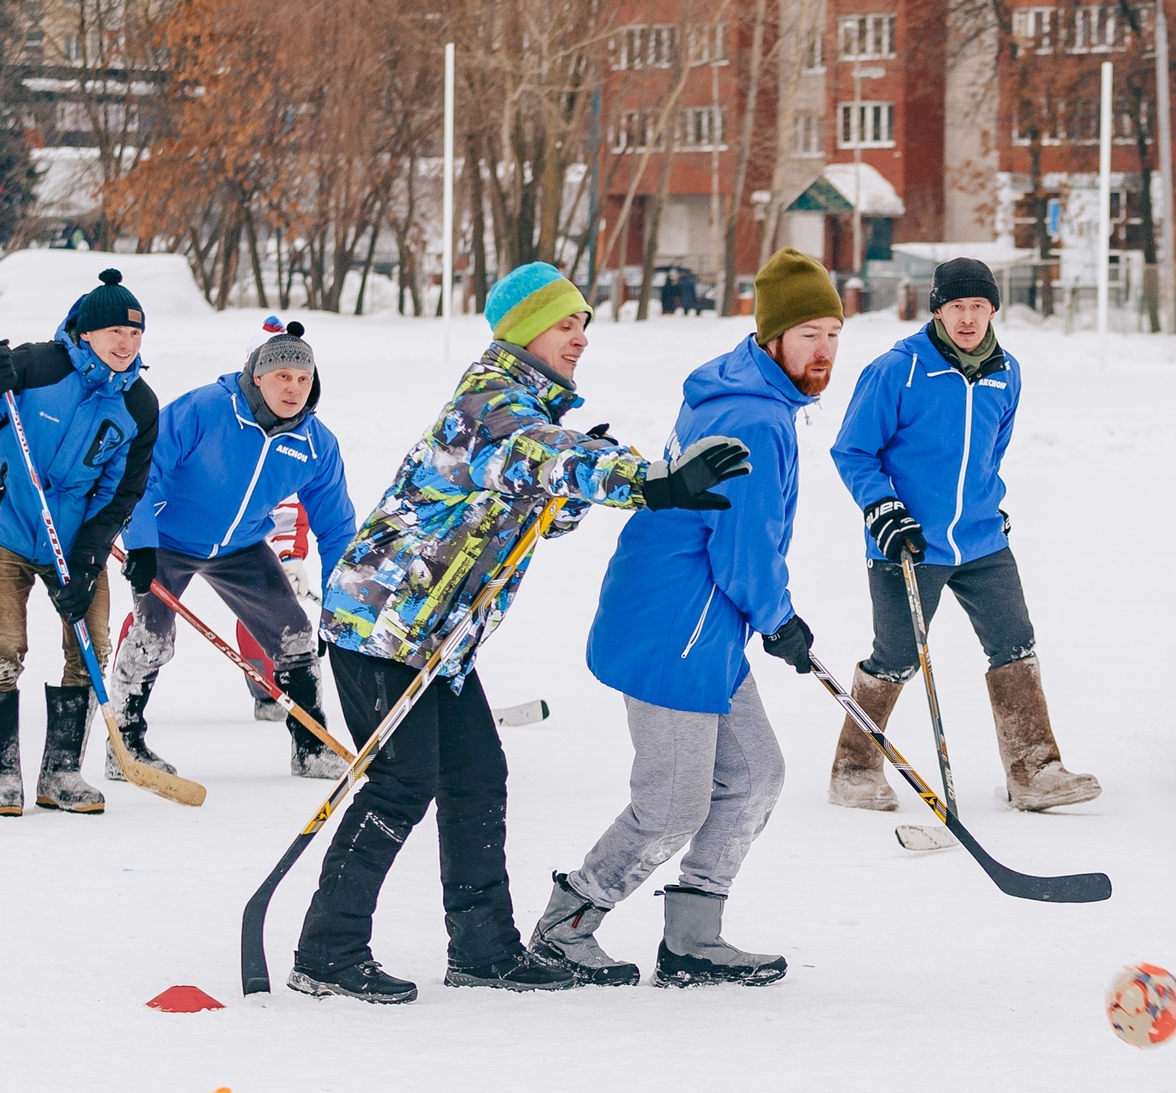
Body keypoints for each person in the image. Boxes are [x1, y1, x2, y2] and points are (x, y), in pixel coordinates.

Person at [290, 263, 749, 1004]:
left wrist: (575, 490)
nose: (581, 337)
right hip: (381, 626)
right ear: (523, 329)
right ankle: (328, 950)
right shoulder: (489, 406)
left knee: (478, 777)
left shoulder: (526, 412)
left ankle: (483, 948)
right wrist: (647, 480)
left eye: (585, 324)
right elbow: (545, 457)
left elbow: (537, 490)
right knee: (403, 782)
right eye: (567, 323)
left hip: (439, 638)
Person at [534, 248, 841, 989]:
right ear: (772, 338)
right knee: (673, 803)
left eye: (832, 332)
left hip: (707, 627)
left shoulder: (748, 393)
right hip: (677, 627)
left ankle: (694, 934)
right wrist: (781, 620)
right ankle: (566, 924)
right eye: (808, 335)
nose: (825, 350)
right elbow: (742, 547)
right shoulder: (754, 417)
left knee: (757, 771)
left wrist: (764, 619)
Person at [826, 254, 1098, 812]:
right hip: (906, 541)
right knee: (896, 656)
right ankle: (853, 769)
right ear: (938, 309)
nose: (968, 318)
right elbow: (853, 449)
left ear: (993, 309)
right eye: (956, 306)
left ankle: (1034, 770)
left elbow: (993, 452)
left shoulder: (1007, 371)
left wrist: (984, 506)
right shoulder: (897, 369)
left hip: (981, 541)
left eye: (978, 306)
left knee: (1014, 644)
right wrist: (883, 509)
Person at [0, 268, 160, 817]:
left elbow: (123, 491)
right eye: (115, 331)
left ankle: (62, 772)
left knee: (89, 649)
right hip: (6, 530)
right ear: (85, 333)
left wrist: (89, 558)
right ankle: (0, 775)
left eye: (135, 335)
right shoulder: (35, 367)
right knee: (3, 648)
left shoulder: (138, 404)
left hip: (74, 542)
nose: (125, 343)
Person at [108, 318, 358, 782]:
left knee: (297, 637)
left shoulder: (315, 444)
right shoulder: (205, 409)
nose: (294, 388)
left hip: (240, 547)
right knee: (153, 638)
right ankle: (124, 742)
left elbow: (337, 529)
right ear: (257, 375)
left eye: (303, 379)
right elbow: (142, 473)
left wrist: (338, 607)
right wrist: (140, 542)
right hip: (168, 539)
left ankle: (311, 747)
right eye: (283, 375)